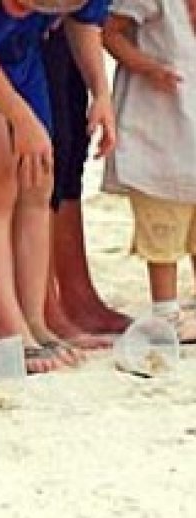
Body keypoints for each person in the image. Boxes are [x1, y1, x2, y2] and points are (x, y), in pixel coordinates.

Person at [0, 0, 115, 373]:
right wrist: (20, 117)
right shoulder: (0, 9)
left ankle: (35, 322)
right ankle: (11, 332)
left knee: (38, 185)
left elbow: (83, 23)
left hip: (26, 62)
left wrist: (101, 92)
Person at [103, 0, 196, 337]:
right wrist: (146, 67)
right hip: (159, 125)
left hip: (191, 129)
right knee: (162, 225)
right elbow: (109, 32)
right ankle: (166, 311)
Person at [41, 26, 130, 348]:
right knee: (49, 150)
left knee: (72, 143)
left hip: (66, 27)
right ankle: (46, 306)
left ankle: (77, 293)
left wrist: (101, 91)